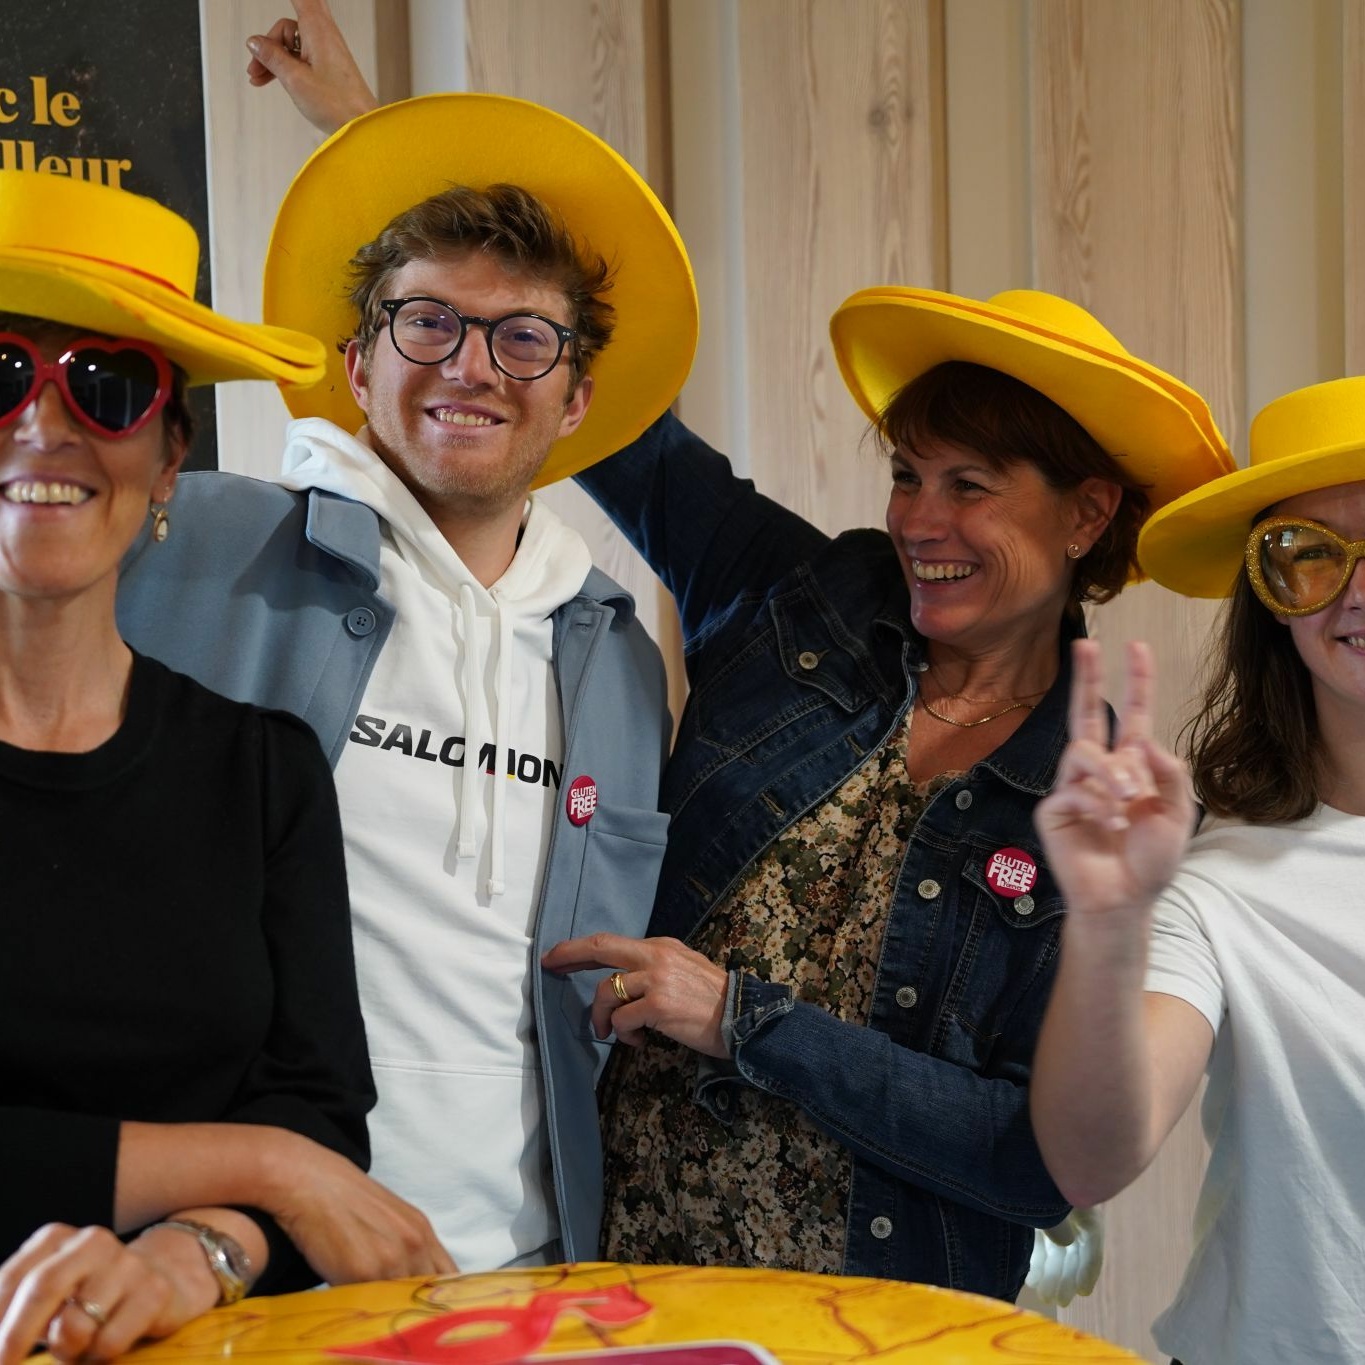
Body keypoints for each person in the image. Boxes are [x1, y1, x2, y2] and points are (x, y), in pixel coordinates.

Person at [536, 285, 1234, 1298]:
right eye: (908, 476)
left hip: (883, 1321)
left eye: (970, 486)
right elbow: (613, 420)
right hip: (629, 1285)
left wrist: (748, 1019)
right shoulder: (798, 603)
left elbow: (1029, 1162)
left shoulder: (1103, 815)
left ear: (1086, 513)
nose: (919, 520)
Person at [116, 90, 697, 1271]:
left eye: (523, 337)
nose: (472, 366)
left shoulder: (622, 663)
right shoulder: (196, 545)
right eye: (427, 322)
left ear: (577, 398)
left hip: (528, 1275)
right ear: (357, 364)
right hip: (234, 1270)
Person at [0, 170, 452, 1365]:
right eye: (1, 373)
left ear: (168, 461)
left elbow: (319, 1106)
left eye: (106, 386)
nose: (45, 424)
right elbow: (294, 1149)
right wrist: (258, 1168)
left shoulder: (262, 771)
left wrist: (193, 1250)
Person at [1030, 375, 1365, 1363]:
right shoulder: (1215, 885)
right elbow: (1090, 1162)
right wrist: (1107, 921)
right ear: (1273, 602)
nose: (1357, 589)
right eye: (1308, 554)